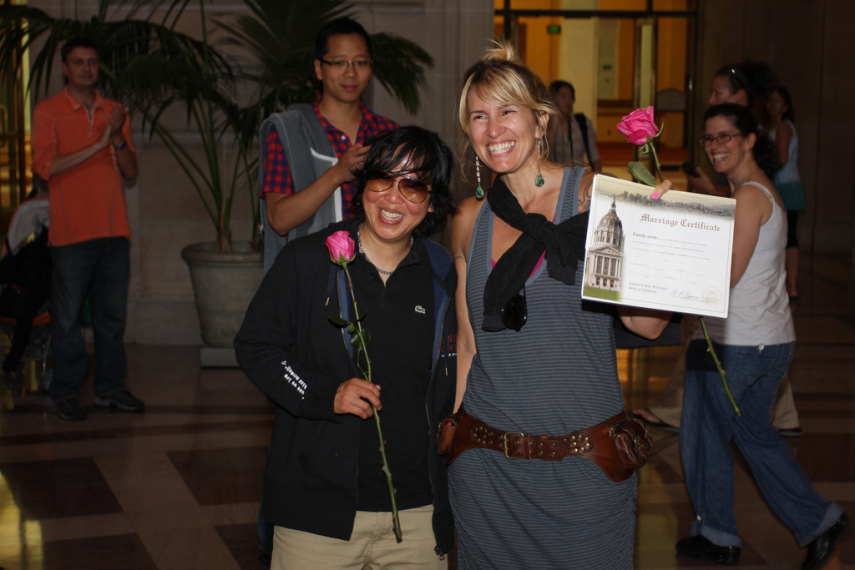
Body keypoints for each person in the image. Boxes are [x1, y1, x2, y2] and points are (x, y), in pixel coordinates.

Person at [448, 42, 671, 568]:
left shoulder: (597, 197)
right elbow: (466, 343)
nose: (493, 129)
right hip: (486, 469)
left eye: (507, 111)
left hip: (583, 470)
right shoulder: (467, 219)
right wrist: (452, 443)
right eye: (479, 116)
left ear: (541, 120)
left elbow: (647, 323)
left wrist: (658, 239)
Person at [235, 126, 457, 569]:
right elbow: (256, 346)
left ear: (432, 202)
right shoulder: (307, 261)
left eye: (412, 186)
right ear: (364, 184)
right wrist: (322, 393)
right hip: (316, 515)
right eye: (382, 179)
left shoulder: (440, 272)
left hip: (413, 516)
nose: (393, 199)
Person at [675, 103, 848, 568]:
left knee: (704, 436)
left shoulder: (750, 196)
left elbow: (725, 275)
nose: (715, 146)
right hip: (770, 340)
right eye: (709, 138)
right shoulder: (750, 193)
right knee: (755, 437)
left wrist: (667, 269)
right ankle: (821, 520)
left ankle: (717, 534)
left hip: (736, 343)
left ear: (751, 139)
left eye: (726, 136)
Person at [31, 37, 144, 421]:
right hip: (71, 237)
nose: (86, 68)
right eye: (78, 62)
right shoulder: (48, 112)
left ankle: (110, 389)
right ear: (65, 68)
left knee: (111, 320)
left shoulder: (115, 111)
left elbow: (130, 171)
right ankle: (64, 392)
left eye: (92, 62)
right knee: (66, 321)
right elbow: (45, 168)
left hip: (114, 232)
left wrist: (115, 139)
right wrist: (98, 145)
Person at [259, 16, 398, 272]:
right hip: (310, 275)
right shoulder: (289, 131)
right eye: (338, 62)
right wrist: (338, 173)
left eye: (360, 62)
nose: (350, 73)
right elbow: (278, 220)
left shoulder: (389, 133)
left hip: (378, 275)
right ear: (319, 68)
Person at [688, 61, 777, 197]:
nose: (711, 100)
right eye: (709, 138)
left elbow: (746, 196)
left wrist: (711, 190)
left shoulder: (754, 138)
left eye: (717, 93)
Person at [767, 86, 807, 304]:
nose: (772, 104)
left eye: (777, 100)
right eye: (770, 100)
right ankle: (788, 285)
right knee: (786, 235)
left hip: (785, 186)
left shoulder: (783, 127)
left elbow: (780, 160)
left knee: (789, 237)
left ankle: (791, 285)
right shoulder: (777, 127)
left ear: (785, 106)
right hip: (785, 185)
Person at [546, 79, 602, 172]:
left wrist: (599, 177)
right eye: (563, 96)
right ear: (553, 99)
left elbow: (594, 156)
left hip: (577, 176)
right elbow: (545, 154)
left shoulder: (582, 123)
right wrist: (554, 118)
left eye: (571, 97)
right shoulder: (546, 124)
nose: (568, 101)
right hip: (553, 176)